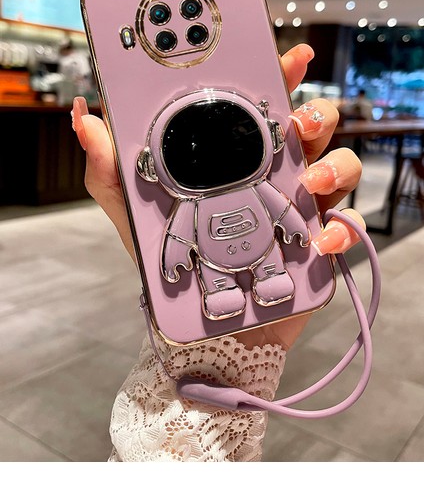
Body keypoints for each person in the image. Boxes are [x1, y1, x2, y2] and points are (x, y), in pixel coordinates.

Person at [71, 43, 364, 462]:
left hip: (258, 253)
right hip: (222, 263)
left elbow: (283, 211)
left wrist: (301, 233)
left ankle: (264, 278)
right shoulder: (202, 200)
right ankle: (238, 286)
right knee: (221, 276)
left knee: (254, 267)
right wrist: (173, 265)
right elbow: (182, 238)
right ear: (153, 166)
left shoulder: (246, 190)